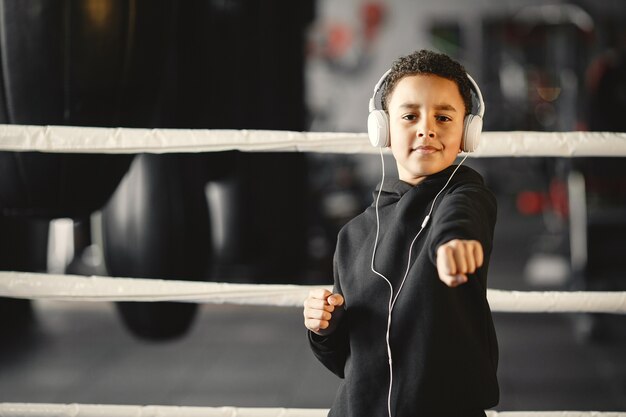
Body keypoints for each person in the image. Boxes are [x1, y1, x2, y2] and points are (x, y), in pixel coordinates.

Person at [303, 49, 499, 417]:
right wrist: (323, 327)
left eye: (444, 116)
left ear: (467, 134)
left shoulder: (466, 196)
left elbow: (461, 217)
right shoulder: (355, 233)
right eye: (410, 116)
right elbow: (345, 360)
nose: (427, 128)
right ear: (383, 129)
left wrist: (454, 242)